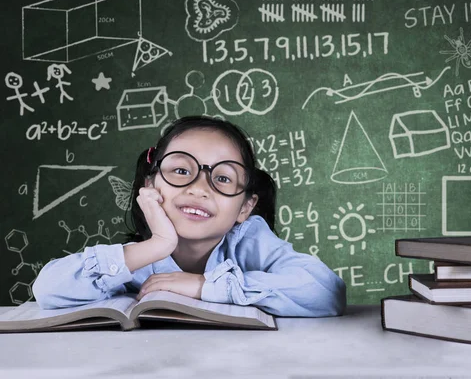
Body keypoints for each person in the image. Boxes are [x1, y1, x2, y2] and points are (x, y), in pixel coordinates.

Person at [33, 116, 346, 317]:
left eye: (223, 178)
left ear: (245, 207)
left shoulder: (250, 239)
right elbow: (47, 288)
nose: (199, 188)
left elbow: (325, 291)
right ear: (150, 186)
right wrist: (157, 245)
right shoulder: (139, 259)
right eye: (181, 170)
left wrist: (202, 285)